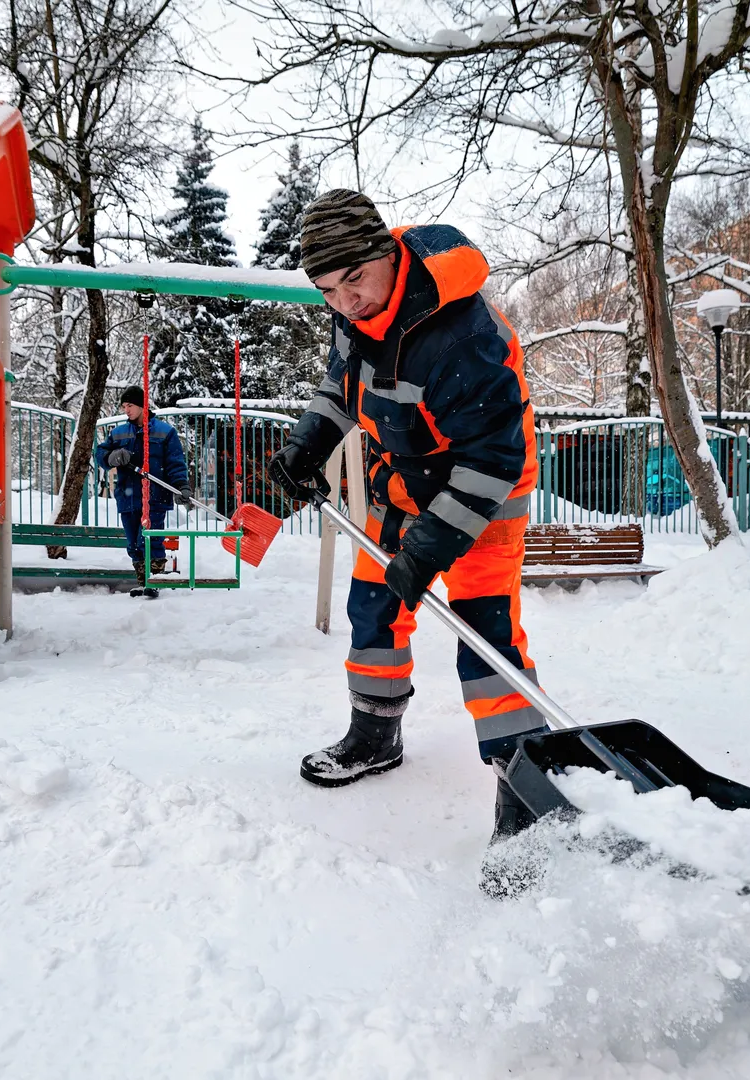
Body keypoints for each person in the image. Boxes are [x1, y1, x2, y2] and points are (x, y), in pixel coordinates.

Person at [265, 189, 546, 852]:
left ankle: (525, 783)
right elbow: (343, 384)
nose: (344, 302)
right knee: (374, 608)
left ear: (386, 253)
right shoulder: (351, 313)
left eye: (354, 281)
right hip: (403, 485)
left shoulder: (467, 335)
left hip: (485, 495)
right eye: (327, 291)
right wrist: (309, 441)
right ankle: (375, 734)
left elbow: (494, 455)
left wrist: (435, 543)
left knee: (485, 633)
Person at [95, 387, 192, 581]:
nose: (126, 410)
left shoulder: (165, 432)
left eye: (130, 405)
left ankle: (155, 577)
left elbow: (175, 462)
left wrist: (181, 485)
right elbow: (100, 455)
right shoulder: (119, 433)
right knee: (133, 542)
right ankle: (143, 578)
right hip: (128, 496)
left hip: (155, 496)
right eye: (124, 406)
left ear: (142, 405)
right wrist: (111, 456)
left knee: (149, 538)